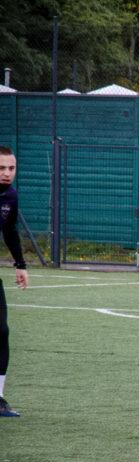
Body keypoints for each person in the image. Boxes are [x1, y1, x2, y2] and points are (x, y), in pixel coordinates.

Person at [0, 146, 28, 417]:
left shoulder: (10, 196)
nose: (7, 173)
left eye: (11, 168)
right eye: (1, 168)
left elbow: (9, 230)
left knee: (2, 331)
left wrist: (20, 265)